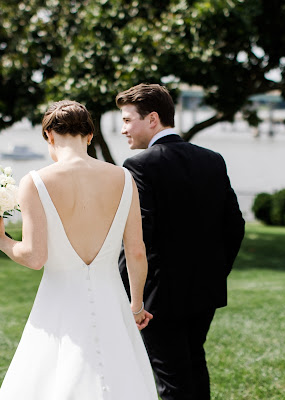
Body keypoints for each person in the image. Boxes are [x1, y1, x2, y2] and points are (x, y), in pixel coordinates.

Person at [0, 100, 158, 399]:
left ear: (49, 135)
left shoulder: (36, 182)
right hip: (112, 301)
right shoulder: (124, 178)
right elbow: (137, 252)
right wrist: (136, 306)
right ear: (89, 136)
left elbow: (35, 258)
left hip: (58, 304)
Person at [116, 84, 246, 400]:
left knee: (172, 383)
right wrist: (215, 273)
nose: (123, 130)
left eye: (127, 120)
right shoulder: (212, 160)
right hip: (205, 291)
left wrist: (129, 293)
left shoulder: (139, 166)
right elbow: (235, 225)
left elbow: (138, 237)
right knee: (194, 368)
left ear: (153, 119)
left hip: (158, 298)